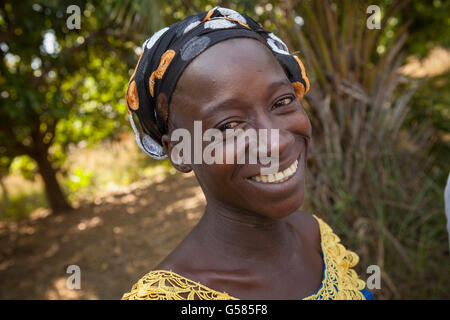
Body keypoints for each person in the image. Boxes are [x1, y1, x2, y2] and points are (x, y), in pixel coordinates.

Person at [121, 7, 374, 300]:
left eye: (281, 102)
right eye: (228, 125)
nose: (275, 144)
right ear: (179, 150)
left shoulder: (315, 235)